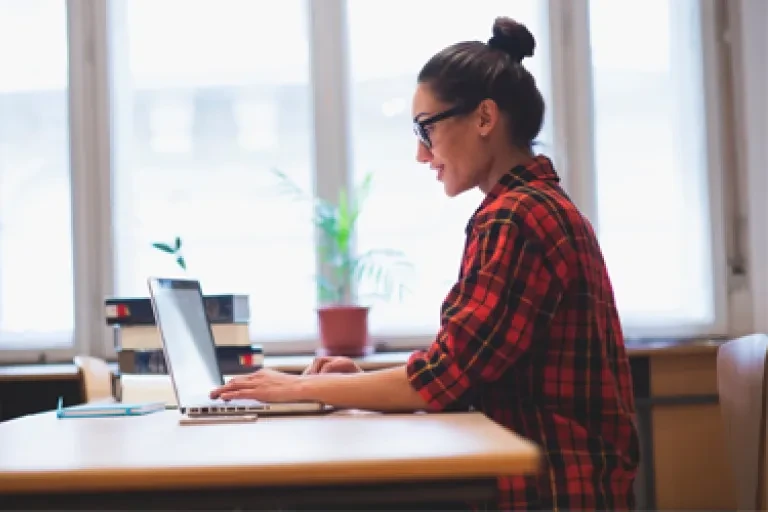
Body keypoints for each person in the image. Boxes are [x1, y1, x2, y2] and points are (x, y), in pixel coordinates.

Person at [211, 16, 639, 511]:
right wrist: (350, 385)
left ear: (484, 118)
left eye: (426, 129)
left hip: (551, 487)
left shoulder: (517, 218)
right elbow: (462, 370)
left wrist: (302, 388)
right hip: (552, 474)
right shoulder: (530, 206)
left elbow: (443, 378)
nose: (421, 154)